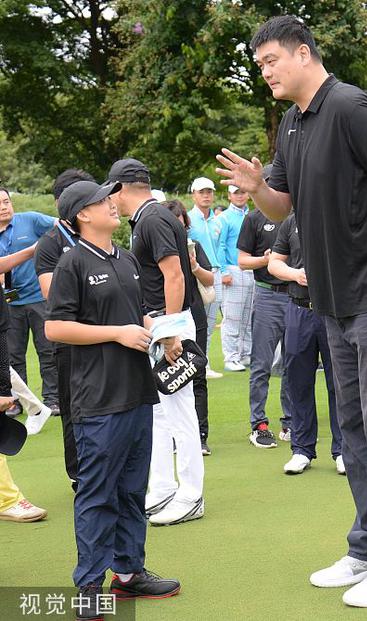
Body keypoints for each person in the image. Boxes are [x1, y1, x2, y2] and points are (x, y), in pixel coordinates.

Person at [217, 16, 367, 607]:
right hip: (334, 301)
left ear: (304, 53)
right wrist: (256, 183)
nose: (263, 72)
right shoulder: (293, 122)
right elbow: (281, 202)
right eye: (259, 64)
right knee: (356, 428)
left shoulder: (350, 107)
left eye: (270, 61)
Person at [46, 179, 180, 618]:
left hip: (138, 394)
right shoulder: (72, 262)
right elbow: (56, 328)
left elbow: (133, 316)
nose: (113, 205)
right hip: (98, 400)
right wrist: (119, 334)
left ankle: (128, 573)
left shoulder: (124, 259)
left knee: (131, 489)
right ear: (83, 214)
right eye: (105, 200)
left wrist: (157, 330)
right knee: (97, 493)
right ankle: (90, 583)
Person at [107, 158, 204, 527]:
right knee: (161, 414)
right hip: (163, 326)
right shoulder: (148, 218)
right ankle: (164, 487)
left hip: (171, 329)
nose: (110, 200)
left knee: (180, 414)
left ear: (122, 188)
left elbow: (174, 275)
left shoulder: (152, 218)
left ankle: (191, 494)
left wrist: (170, 332)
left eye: (111, 191)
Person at [269, 212, 345, 475]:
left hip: (333, 311)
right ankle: (301, 449)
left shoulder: (338, 214)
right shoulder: (292, 222)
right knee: (298, 381)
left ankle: (343, 449)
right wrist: (294, 274)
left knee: (340, 381)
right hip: (299, 309)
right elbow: (274, 263)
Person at [34, 168, 96, 490]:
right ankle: (79, 476)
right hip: (71, 342)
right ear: (63, 203)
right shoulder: (50, 243)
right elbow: (51, 293)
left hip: (107, 339)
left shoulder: (100, 238)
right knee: (75, 410)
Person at [237, 185, 293, 448]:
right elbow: (243, 261)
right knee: (262, 363)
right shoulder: (254, 218)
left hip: (296, 296)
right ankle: (258, 424)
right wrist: (266, 260)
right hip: (268, 294)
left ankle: (291, 422)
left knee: (295, 362)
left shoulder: (297, 215)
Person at [163, 200, 216, 456]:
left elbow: (210, 279)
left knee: (197, 373)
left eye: (182, 226)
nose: (179, 231)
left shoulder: (193, 246)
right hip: (164, 320)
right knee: (167, 376)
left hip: (194, 316)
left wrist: (194, 265)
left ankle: (200, 435)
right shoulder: (155, 248)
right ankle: (172, 436)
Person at [0, 189, 57, 413]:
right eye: (0, 204)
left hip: (38, 298)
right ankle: (18, 402)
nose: (4, 207)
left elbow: (61, 227)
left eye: (6, 201)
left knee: (47, 350)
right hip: (8, 304)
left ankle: (52, 399)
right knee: (12, 356)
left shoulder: (31, 220)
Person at [186, 177, 226, 371]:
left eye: (209, 192)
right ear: (193, 195)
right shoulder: (187, 219)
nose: (206, 195)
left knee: (210, 323)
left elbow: (221, 248)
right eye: (201, 192)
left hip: (215, 273)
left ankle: (205, 363)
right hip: (197, 274)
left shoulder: (218, 221)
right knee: (196, 321)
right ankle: (196, 363)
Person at [215, 185, 255, 372]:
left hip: (251, 269)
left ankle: (246, 354)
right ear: (229, 195)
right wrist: (223, 272)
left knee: (248, 317)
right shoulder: (223, 218)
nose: (240, 195)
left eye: (242, 192)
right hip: (233, 269)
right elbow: (220, 246)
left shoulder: (251, 215)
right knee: (232, 317)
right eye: (236, 192)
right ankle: (231, 357)